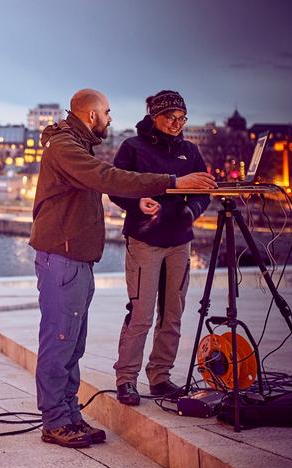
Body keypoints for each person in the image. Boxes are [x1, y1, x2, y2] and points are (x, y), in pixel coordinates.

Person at [29, 88, 215, 448]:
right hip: (62, 256)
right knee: (60, 339)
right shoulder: (66, 147)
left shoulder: (77, 144)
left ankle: (68, 415)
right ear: (92, 115)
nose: (111, 118)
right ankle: (55, 421)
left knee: (73, 342)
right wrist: (173, 183)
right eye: (108, 112)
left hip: (76, 256)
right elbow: (109, 178)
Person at [110, 90, 212, 406]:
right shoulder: (132, 148)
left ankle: (160, 377)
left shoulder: (190, 151)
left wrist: (190, 211)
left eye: (182, 118)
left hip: (179, 242)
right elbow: (116, 186)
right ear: (155, 116)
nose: (176, 124)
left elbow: (204, 190)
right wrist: (137, 202)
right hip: (145, 241)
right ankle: (126, 380)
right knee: (141, 314)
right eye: (171, 117)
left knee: (173, 313)